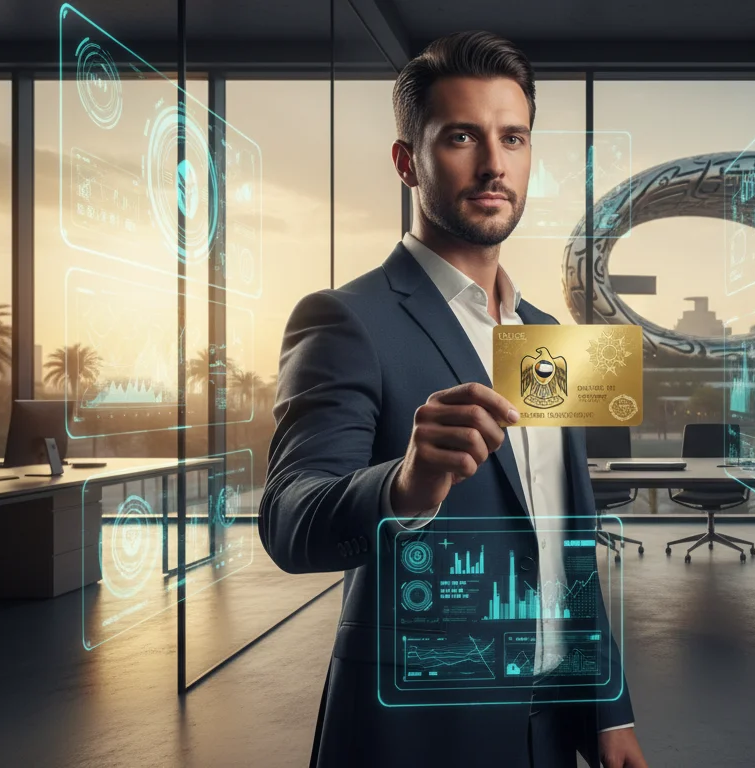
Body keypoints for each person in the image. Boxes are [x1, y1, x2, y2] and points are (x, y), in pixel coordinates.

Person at [259, 30, 646, 768]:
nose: (495, 164)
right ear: (408, 160)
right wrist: (404, 487)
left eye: (514, 138)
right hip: (419, 734)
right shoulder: (345, 319)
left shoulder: (544, 335)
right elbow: (287, 519)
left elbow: (567, 543)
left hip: (556, 730)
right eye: (463, 136)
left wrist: (610, 707)